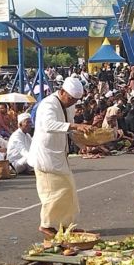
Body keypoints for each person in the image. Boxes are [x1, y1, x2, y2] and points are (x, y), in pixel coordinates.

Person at [27, 77, 93, 237]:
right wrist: (76, 125)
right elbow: (49, 125)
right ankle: (46, 225)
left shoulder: (68, 106)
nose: (72, 103)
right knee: (52, 193)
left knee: (69, 191)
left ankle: (67, 225)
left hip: (59, 155)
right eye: (70, 99)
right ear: (62, 92)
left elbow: (69, 129)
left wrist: (83, 144)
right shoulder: (48, 104)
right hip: (45, 157)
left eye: (75, 100)